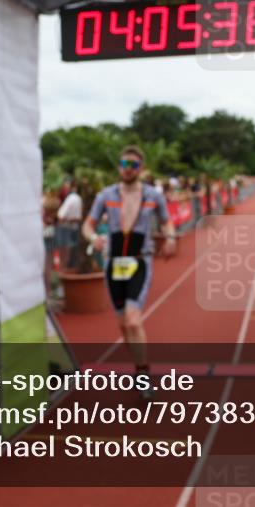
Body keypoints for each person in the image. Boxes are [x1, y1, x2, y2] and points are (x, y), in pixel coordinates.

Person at [82, 146, 176, 398]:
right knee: (123, 323)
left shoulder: (153, 196)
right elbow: (88, 225)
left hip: (139, 261)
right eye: (124, 163)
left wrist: (170, 237)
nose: (128, 168)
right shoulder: (106, 195)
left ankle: (143, 375)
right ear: (119, 166)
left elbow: (166, 220)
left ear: (141, 168)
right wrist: (93, 239)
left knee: (134, 319)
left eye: (133, 165)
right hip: (113, 263)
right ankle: (138, 364)